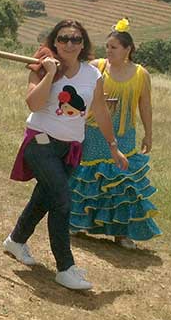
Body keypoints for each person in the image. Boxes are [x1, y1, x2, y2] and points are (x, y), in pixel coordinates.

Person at [3, 20, 130, 292]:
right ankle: (65, 268)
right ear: (55, 41)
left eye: (75, 39)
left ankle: (16, 240)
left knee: (44, 198)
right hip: (41, 143)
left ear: (83, 44)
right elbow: (33, 103)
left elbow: (100, 110)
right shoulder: (40, 66)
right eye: (63, 39)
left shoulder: (92, 75)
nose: (69, 44)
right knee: (62, 201)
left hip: (71, 149)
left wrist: (113, 146)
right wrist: (50, 74)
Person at [69, 20, 160, 247]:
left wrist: (148, 134)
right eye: (107, 47)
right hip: (94, 130)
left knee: (123, 181)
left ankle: (122, 233)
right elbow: (77, 91)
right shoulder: (97, 67)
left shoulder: (141, 74)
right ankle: (78, 223)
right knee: (90, 177)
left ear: (127, 49)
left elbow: (145, 106)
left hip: (124, 133)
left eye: (114, 47)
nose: (108, 51)